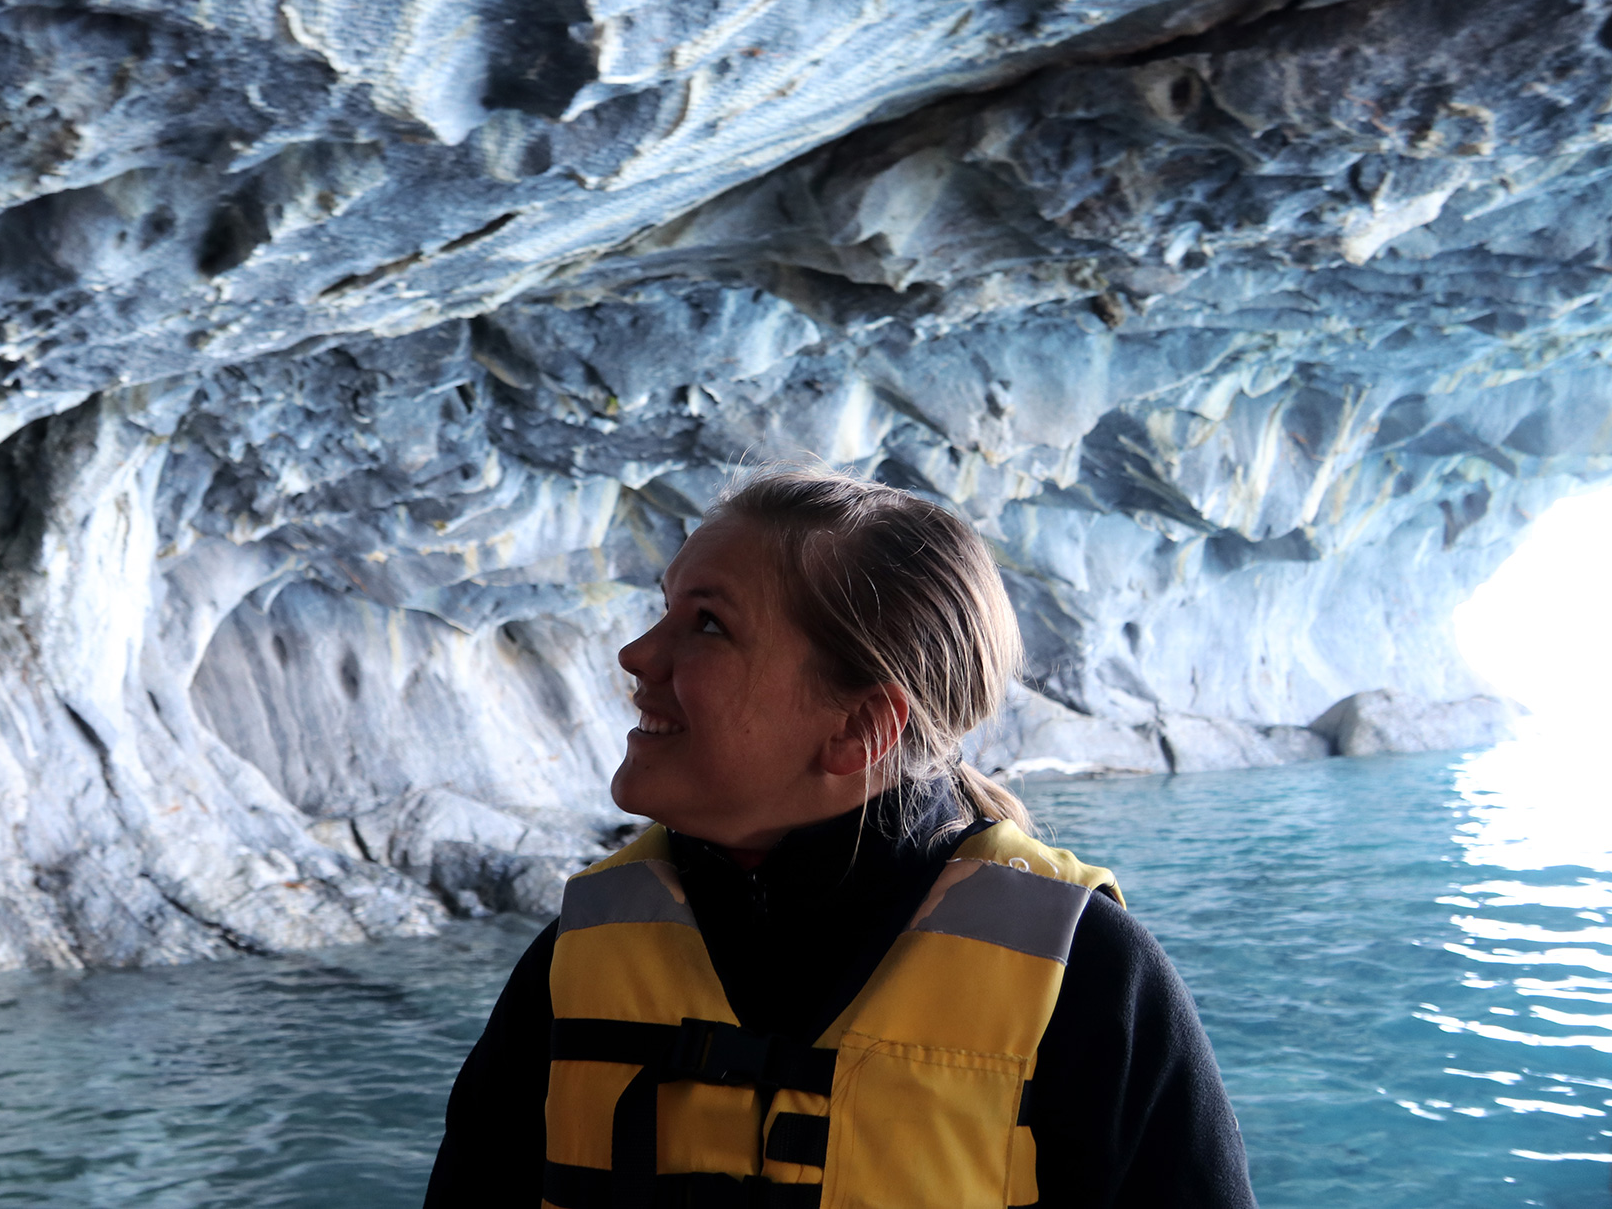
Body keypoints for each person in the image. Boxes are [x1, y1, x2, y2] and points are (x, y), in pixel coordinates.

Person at [426, 468, 1256, 1208]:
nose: (637, 653)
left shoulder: (1088, 980)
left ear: (858, 727)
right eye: (663, 607)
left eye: (708, 624)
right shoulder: (581, 952)